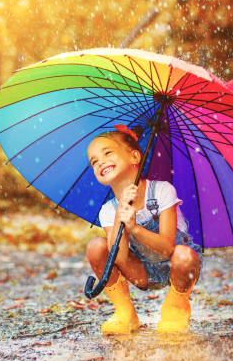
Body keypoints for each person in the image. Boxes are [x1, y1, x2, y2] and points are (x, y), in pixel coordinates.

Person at [86, 124, 202, 335]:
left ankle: (176, 308)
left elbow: (167, 248)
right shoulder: (108, 210)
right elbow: (118, 258)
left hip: (174, 266)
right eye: (94, 161)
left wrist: (134, 227)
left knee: (185, 255)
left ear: (134, 157)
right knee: (96, 247)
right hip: (141, 272)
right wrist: (120, 218)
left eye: (107, 152)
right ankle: (125, 313)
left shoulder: (162, 191)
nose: (100, 161)